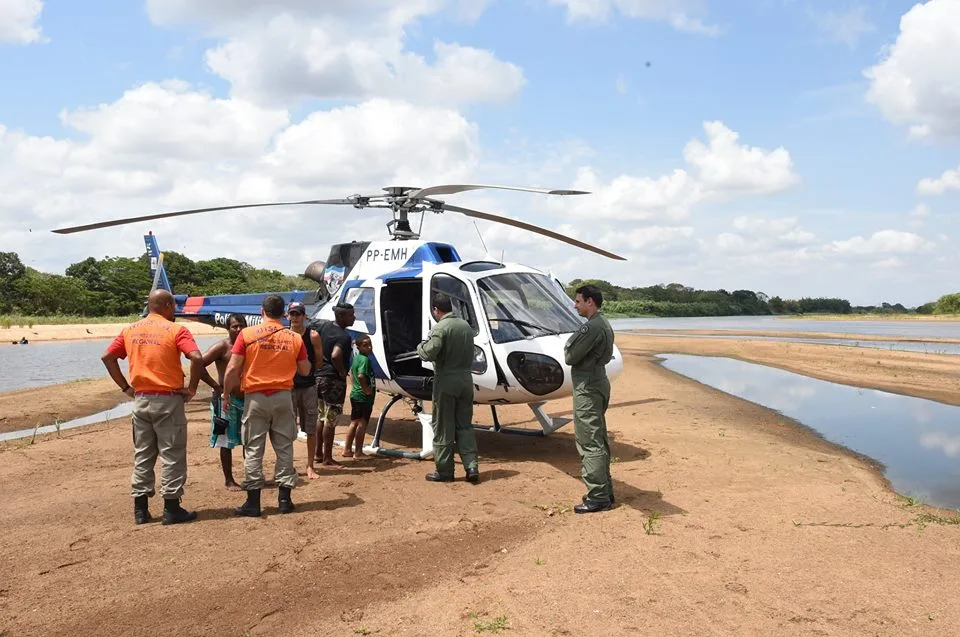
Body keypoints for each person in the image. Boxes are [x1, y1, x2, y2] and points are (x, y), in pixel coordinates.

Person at [101, 289, 204, 525]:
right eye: (174, 306)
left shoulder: (130, 329)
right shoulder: (177, 330)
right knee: (172, 454)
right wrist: (192, 389)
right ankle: (171, 507)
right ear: (167, 305)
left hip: (141, 400)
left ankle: (140, 509)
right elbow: (197, 357)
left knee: (143, 454)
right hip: (168, 399)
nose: (176, 311)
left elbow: (108, 357)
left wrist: (126, 388)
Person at [223, 294, 312, 517]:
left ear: (262, 311)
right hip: (282, 396)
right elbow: (305, 370)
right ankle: (284, 500)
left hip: (255, 398)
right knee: (284, 447)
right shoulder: (293, 338)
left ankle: (252, 503)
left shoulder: (246, 334)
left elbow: (233, 369)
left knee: (253, 449)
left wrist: (225, 393)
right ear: (283, 314)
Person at [416, 293, 479, 483]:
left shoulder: (440, 328)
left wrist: (420, 346)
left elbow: (428, 352)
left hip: (446, 381)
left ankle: (444, 471)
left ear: (436, 310)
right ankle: (471, 466)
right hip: (466, 380)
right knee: (465, 425)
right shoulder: (465, 326)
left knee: (443, 426)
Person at [564, 284, 616, 514]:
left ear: (589, 302)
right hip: (598, 381)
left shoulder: (592, 327)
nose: (575, 305)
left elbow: (570, 355)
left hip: (588, 386)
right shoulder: (603, 323)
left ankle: (598, 496)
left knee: (589, 440)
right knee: (598, 437)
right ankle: (605, 490)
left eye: (578, 301)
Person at [199, 313, 247, 491]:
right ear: (228, 328)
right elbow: (199, 363)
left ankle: (251, 475)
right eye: (235, 326)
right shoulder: (222, 346)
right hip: (226, 400)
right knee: (226, 440)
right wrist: (215, 385)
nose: (239, 329)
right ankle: (229, 479)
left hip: (247, 398)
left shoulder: (249, 345)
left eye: (242, 325)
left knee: (249, 440)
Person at [314, 302, 355, 467]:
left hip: (318, 377)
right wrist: (342, 372)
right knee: (331, 419)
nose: (354, 318)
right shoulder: (344, 337)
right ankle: (327, 458)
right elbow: (336, 355)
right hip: (332, 381)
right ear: (342, 316)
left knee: (321, 417)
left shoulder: (324, 327)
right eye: (351, 315)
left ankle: (318, 452)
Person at [287, 301, 323, 480]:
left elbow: (319, 360)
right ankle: (289, 465)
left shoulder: (313, 335)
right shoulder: (284, 336)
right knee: (287, 429)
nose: (295, 317)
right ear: (287, 316)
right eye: (292, 314)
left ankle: (310, 465)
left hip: (308, 386)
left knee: (310, 428)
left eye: (298, 314)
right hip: (288, 387)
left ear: (304, 316)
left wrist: (306, 372)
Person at [343, 334, 375, 457]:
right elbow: (361, 375)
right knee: (362, 423)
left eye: (370, 344)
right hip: (363, 397)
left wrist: (355, 385)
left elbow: (351, 372)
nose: (369, 347)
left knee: (354, 422)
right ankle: (358, 451)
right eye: (365, 345)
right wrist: (366, 389)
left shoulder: (357, 358)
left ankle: (347, 449)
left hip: (355, 394)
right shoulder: (365, 360)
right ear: (359, 347)